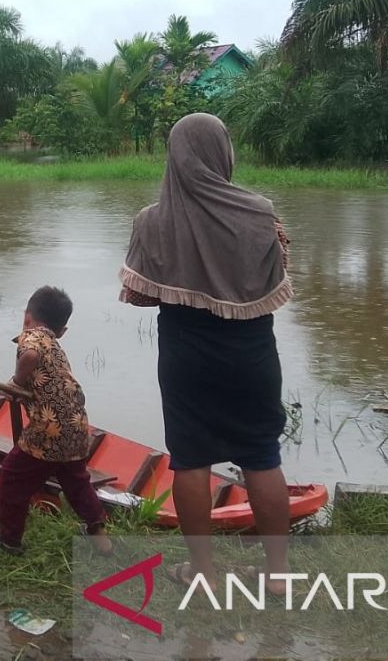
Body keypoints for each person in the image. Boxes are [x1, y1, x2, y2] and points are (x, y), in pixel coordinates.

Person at [119, 113, 293, 593]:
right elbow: (278, 284)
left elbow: (138, 295)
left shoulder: (151, 222)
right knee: (262, 455)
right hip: (252, 353)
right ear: (223, 153)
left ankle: (203, 572)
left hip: (185, 353)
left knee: (190, 459)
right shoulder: (261, 214)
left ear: (174, 156)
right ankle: (277, 575)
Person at [0, 287, 111, 556]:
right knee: (76, 481)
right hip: (76, 425)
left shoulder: (32, 337)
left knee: (14, 477)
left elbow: (29, 354)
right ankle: (99, 535)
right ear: (62, 330)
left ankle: (8, 538)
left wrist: (16, 381)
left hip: (48, 429)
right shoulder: (56, 345)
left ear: (27, 317)